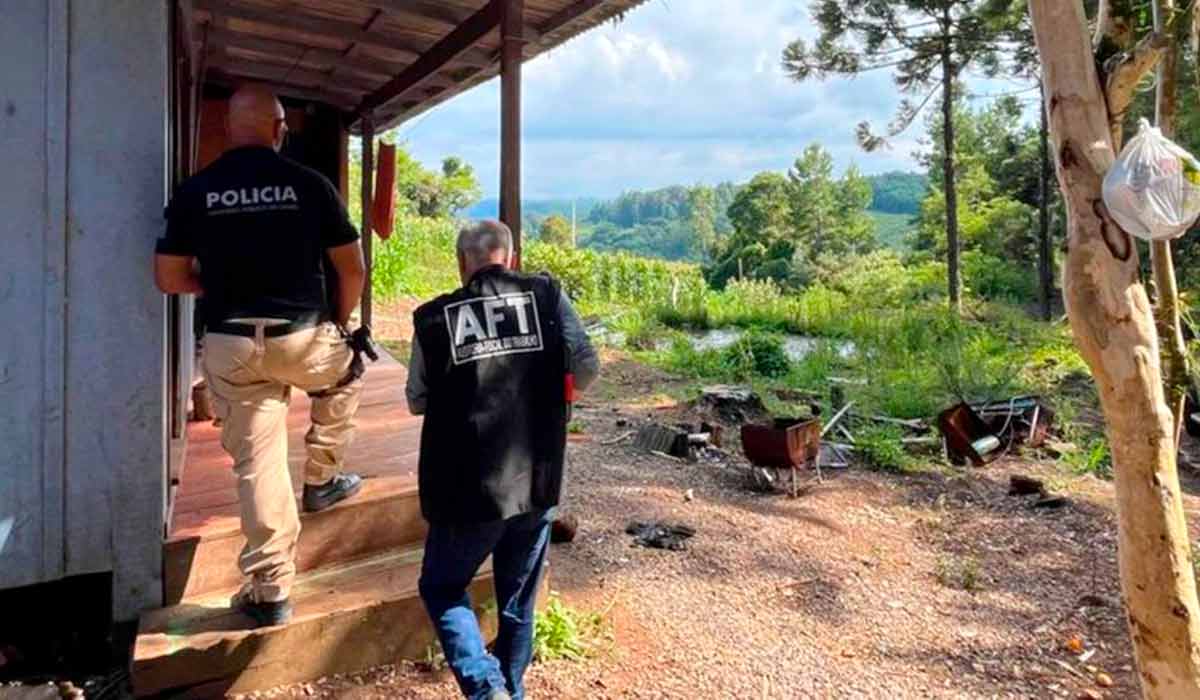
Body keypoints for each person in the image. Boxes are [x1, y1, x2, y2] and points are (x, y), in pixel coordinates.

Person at [153, 85, 367, 627]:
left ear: (227, 129)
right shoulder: (309, 184)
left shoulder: (196, 190)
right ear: (278, 129)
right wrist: (339, 325)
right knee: (345, 374)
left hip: (229, 344)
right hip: (302, 337)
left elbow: (168, 276)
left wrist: (212, 287)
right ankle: (322, 478)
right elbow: (351, 270)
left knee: (258, 462)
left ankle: (270, 590)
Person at [406, 220, 599, 700]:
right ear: (510, 257)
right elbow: (587, 365)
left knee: (444, 588)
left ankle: (486, 687)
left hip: (464, 490)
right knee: (517, 601)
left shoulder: (433, 319)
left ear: (461, 263)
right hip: (537, 478)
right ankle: (510, 691)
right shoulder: (548, 298)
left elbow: (416, 399)